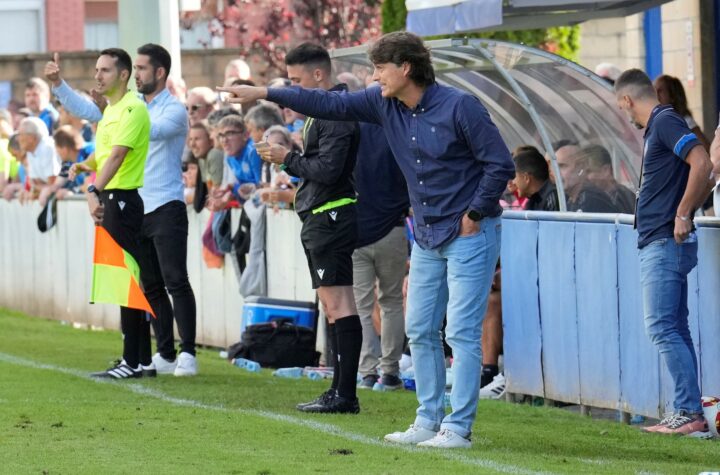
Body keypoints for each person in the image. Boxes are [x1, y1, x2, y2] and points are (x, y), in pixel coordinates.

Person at [219, 31, 515, 447]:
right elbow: (328, 102)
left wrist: (475, 213)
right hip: (428, 234)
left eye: (380, 67)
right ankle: (428, 421)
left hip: (469, 232)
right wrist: (265, 91)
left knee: (461, 333)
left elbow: (499, 164)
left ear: (405, 67)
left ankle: (458, 427)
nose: (374, 77)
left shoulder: (460, 106)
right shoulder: (381, 102)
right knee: (420, 329)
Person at [48, 44, 199, 377]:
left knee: (174, 280)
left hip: (165, 204)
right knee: (147, 284)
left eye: (143, 68)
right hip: (137, 203)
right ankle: (159, 355)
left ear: (158, 73)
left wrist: (93, 188)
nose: (139, 74)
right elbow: (100, 126)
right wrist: (60, 86)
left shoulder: (163, 111)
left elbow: (136, 137)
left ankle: (186, 352)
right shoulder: (126, 108)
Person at [243, 43, 363, 414]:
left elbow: (328, 169)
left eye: (296, 81)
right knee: (332, 305)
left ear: (318, 75)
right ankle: (338, 389)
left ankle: (345, 394)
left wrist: (288, 158)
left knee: (339, 304)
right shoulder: (321, 113)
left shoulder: (337, 114)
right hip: (322, 216)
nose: (293, 90)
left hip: (332, 216)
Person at [615, 68, 713, 437]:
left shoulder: (665, 120)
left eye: (620, 105)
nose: (623, 112)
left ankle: (687, 412)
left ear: (627, 99)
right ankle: (688, 412)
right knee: (674, 326)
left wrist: (683, 213)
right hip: (663, 239)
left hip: (663, 241)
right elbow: (706, 169)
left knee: (660, 327)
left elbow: (702, 162)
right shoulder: (662, 124)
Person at [63, 48, 151, 378]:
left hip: (123, 200)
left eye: (105, 70)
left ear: (124, 75)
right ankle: (140, 359)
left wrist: (92, 190)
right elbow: (104, 159)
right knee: (123, 279)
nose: (97, 75)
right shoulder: (111, 111)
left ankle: (132, 361)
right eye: (97, 69)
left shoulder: (133, 108)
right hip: (114, 198)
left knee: (126, 279)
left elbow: (117, 159)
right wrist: (84, 167)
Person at [353, 118, 410, 392]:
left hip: (357, 231)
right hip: (392, 229)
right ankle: (389, 372)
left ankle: (366, 371)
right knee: (391, 303)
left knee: (362, 306)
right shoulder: (399, 130)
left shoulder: (350, 130)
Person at [555, 142, 617, 213]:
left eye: (562, 166)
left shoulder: (593, 200)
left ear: (579, 167)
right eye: (555, 167)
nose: (556, 173)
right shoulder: (570, 201)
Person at [654, 75, 709, 151]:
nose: (656, 95)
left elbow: (705, 148)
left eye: (660, 91)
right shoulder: (658, 122)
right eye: (654, 91)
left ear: (672, 96)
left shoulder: (685, 121)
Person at [581, 144, 635, 214]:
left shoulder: (626, 199)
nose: (583, 177)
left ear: (605, 170)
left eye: (588, 171)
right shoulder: (585, 198)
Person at [513, 147, 559, 211]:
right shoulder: (533, 201)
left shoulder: (552, 198)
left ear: (526, 178)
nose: (513, 182)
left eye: (514, 177)